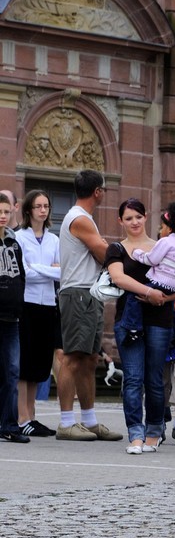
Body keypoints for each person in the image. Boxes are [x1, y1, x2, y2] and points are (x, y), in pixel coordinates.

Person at [103, 199, 175, 453]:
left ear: (146, 217)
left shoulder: (163, 246)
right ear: (120, 221)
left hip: (160, 318)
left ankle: (154, 431)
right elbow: (118, 277)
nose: (134, 222)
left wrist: (163, 297)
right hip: (129, 320)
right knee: (133, 380)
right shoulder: (116, 249)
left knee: (155, 380)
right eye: (128, 218)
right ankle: (135, 433)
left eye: (138, 216)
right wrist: (148, 292)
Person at [57, 169, 120, 441]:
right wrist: (117, 250)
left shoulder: (83, 218)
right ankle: (66, 422)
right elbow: (104, 253)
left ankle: (90, 421)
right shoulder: (80, 219)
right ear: (98, 192)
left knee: (90, 359)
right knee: (72, 357)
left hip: (88, 292)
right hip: (78, 292)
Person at [15, 190, 61, 437]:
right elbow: (24, 273)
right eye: (38, 206)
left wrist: (40, 269)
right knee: (25, 361)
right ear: (29, 210)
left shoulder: (54, 240)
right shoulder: (19, 238)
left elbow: (63, 272)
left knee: (40, 363)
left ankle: (32, 414)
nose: (43, 210)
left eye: (46, 205)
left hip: (48, 305)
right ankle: (22, 417)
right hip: (28, 304)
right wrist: (49, 269)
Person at [0, 193, 25, 443]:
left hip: (12, 319)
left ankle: (9, 425)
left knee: (12, 371)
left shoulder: (14, 244)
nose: (3, 216)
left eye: (6, 212)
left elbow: (21, 278)